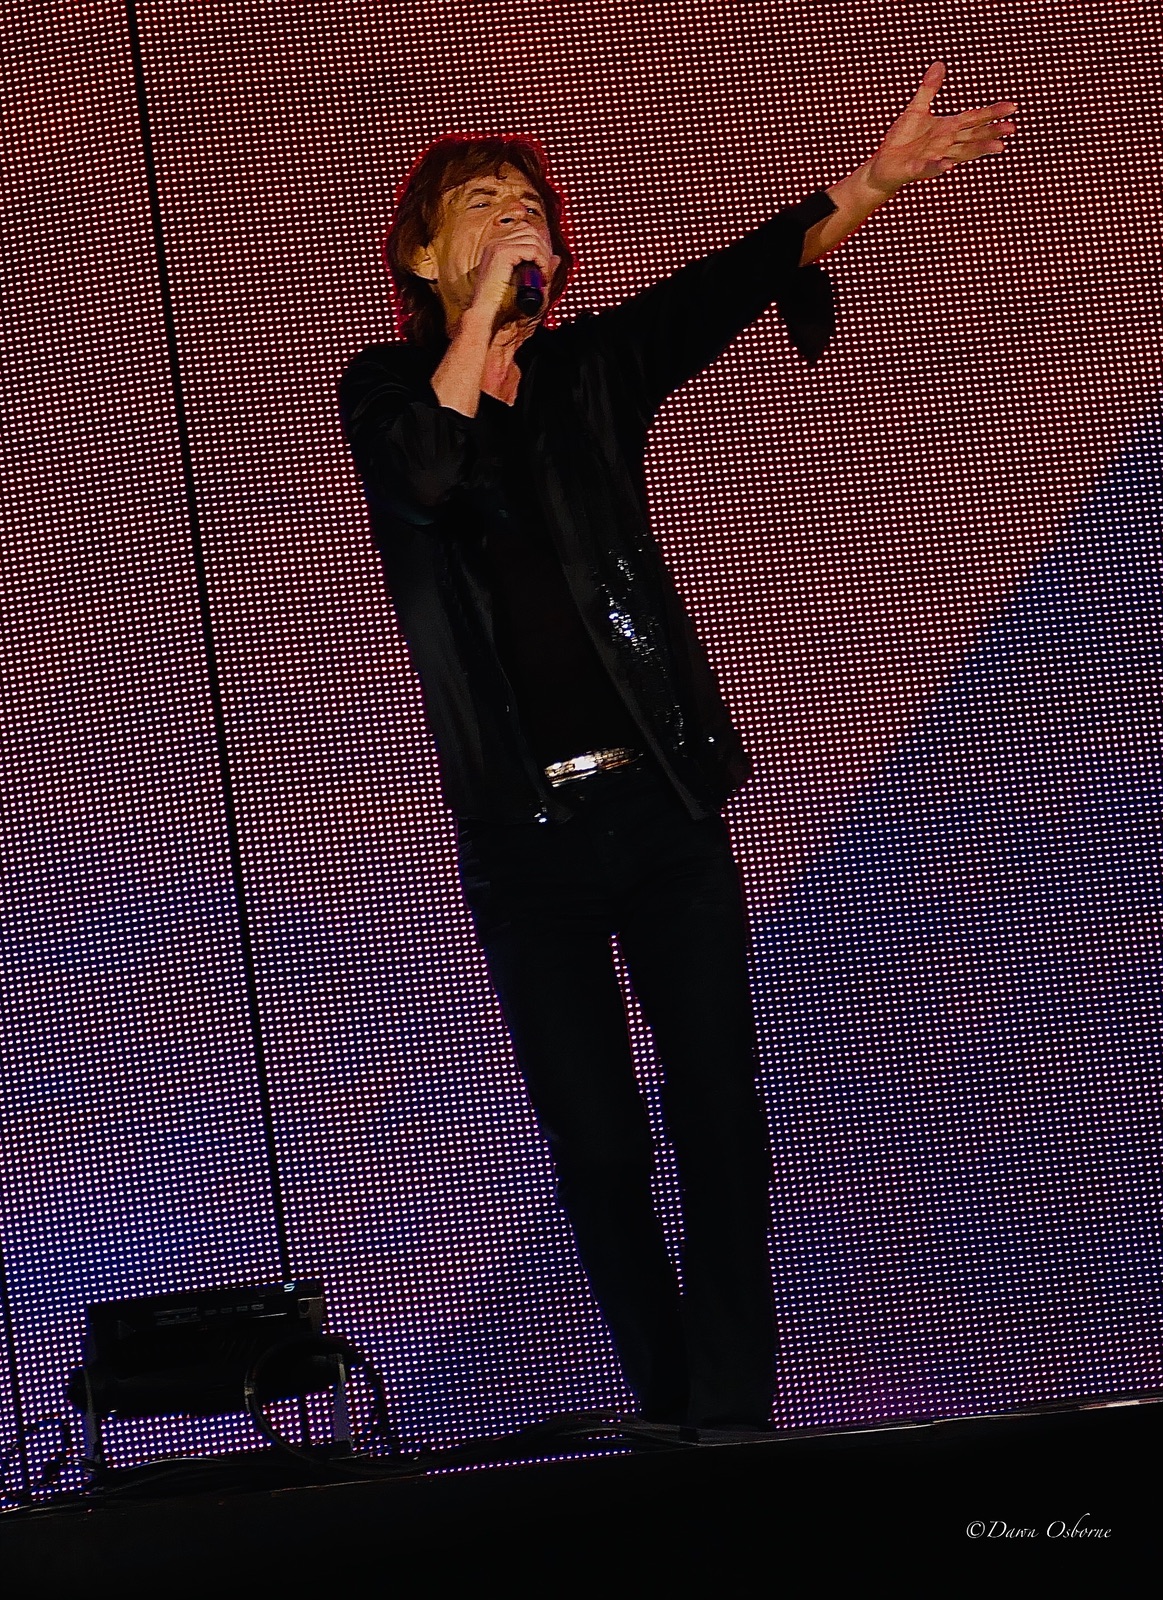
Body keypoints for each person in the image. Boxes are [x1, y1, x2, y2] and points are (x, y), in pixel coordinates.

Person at [339, 62, 1017, 1441]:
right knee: (598, 1149)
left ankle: (728, 1413)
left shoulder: (590, 375)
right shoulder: (387, 392)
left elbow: (732, 280)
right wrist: (478, 322)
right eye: (483, 206)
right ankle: (666, 1412)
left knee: (719, 1115)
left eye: (531, 205)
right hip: (525, 839)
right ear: (423, 253)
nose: (518, 216)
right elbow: (425, 475)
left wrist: (872, 183)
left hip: (659, 806)